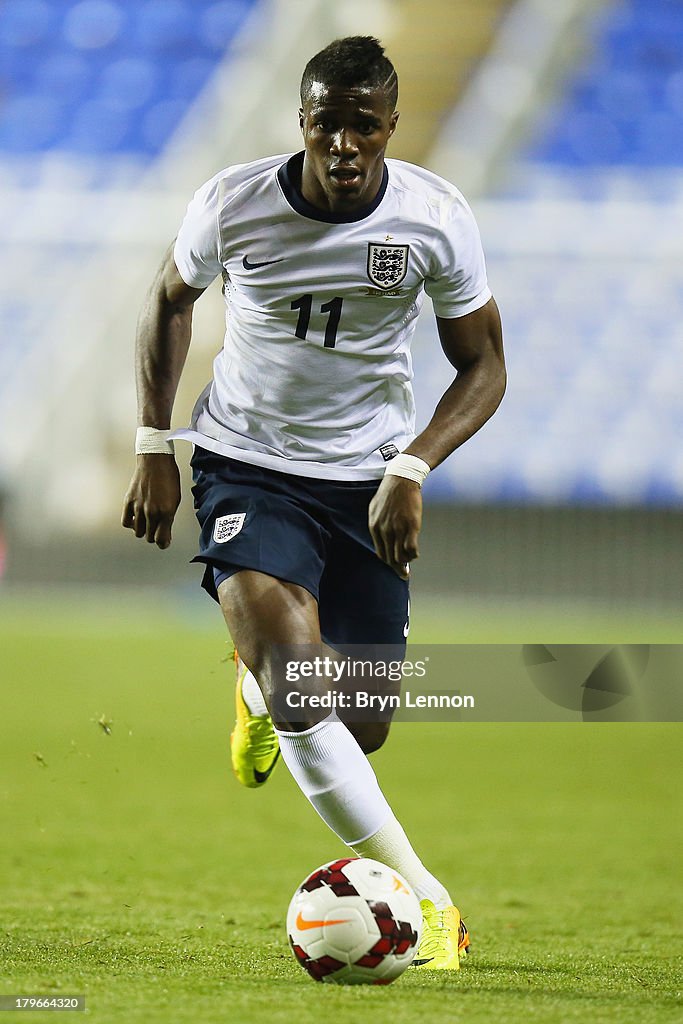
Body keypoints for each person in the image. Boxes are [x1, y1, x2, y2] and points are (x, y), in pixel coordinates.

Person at [122, 36, 505, 971]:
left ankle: (257, 687)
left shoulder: (433, 220)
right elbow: (170, 300)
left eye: (361, 127)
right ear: (302, 121)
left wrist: (410, 469)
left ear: (388, 128)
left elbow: (485, 365)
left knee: (359, 722)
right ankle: (431, 901)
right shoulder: (233, 202)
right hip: (245, 463)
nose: (342, 144)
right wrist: (154, 442)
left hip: (366, 479)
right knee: (307, 694)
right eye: (325, 123)